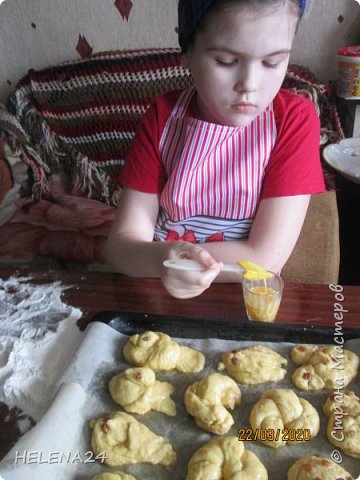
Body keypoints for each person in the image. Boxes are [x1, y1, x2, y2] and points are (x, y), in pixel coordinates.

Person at [105, 0, 325, 299]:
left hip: (241, 302)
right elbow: (120, 246)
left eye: (272, 63)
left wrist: (173, 261)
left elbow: (265, 258)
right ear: (188, 54)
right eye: (225, 60)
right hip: (155, 291)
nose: (249, 84)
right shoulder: (163, 117)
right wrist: (163, 262)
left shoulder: (292, 120)